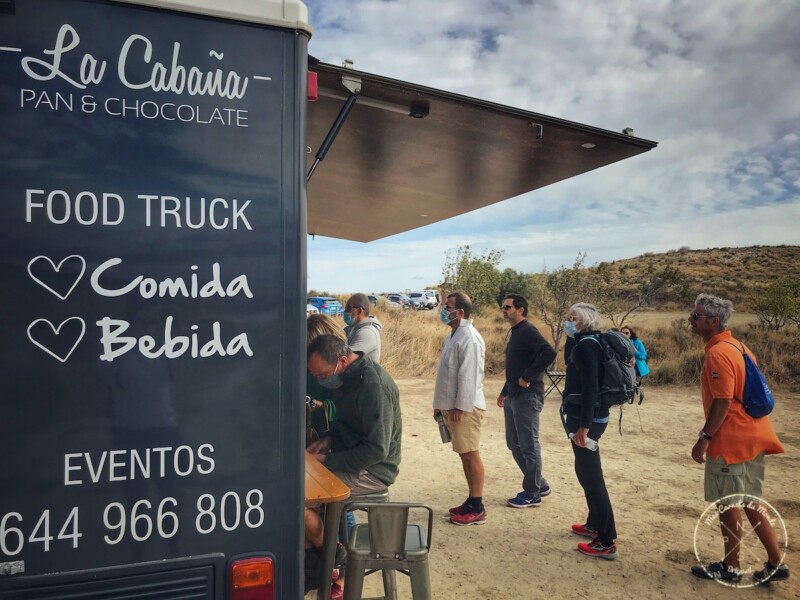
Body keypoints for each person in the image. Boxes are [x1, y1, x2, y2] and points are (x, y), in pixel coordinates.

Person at [688, 294, 789, 584]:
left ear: (713, 321)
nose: (691, 321)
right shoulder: (738, 346)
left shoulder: (718, 353)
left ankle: (730, 568)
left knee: (727, 502)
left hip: (731, 441)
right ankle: (775, 562)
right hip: (752, 435)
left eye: (696, 316)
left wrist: (705, 438)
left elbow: (723, 401)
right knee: (750, 500)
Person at [307, 334, 402, 495]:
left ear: (342, 361)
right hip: (353, 460)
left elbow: (376, 450)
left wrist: (327, 461)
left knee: (308, 489)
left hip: (373, 471)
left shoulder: (372, 386)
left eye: (322, 375)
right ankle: (338, 520)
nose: (320, 381)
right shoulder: (345, 377)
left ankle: (334, 520)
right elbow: (346, 424)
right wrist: (328, 440)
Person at [561, 302, 618, 560]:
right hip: (592, 417)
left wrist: (584, 425)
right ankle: (595, 523)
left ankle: (606, 540)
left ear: (583, 321)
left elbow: (591, 388)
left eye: (572, 318)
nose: (568, 321)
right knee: (584, 470)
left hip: (589, 419)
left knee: (592, 476)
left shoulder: (586, 345)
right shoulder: (588, 341)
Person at [497, 293, 556, 508]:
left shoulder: (527, 330)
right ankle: (540, 484)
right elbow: (517, 365)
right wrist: (505, 391)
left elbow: (548, 353)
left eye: (507, 307)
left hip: (527, 397)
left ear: (520, 310)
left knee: (529, 445)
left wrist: (528, 376)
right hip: (513, 396)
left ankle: (532, 493)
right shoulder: (516, 332)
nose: (504, 310)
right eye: (502, 307)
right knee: (513, 443)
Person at [433, 292, 487, 526]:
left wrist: (460, 407)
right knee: (464, 455)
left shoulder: (469, 338)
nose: (444, 310)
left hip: (465, 407)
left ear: (461, 312)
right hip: (452, 405)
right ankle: (471, 500)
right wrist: (439, 406)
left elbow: (469, 376)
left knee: (470, 454)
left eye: (448, 306)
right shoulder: (455, 334)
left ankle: (477, 506)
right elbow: (447, 375)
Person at [343, 292, 383, 363]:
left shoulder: (368, 332)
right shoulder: (349, 328)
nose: (345, 311)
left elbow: (345, 359)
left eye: (348, 308)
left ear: (359, 311)